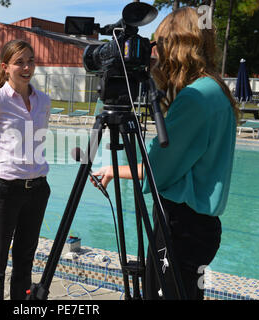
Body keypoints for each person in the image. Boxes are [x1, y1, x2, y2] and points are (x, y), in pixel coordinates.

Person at [90, 7, 240, 300]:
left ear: (177, 44)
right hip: (203, 229)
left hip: (181, 228)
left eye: (160, 43)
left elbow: (157, 167)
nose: (155, 53)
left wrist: (112, 168)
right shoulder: (215, 89)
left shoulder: (194, 99)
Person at [0, 39, 52, 300]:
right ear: (5, 67)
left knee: (25, 260)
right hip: (4, 190)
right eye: (19, 62)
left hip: (37, 190)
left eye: (30, 61)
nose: (26, 67)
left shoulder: (44, 101)